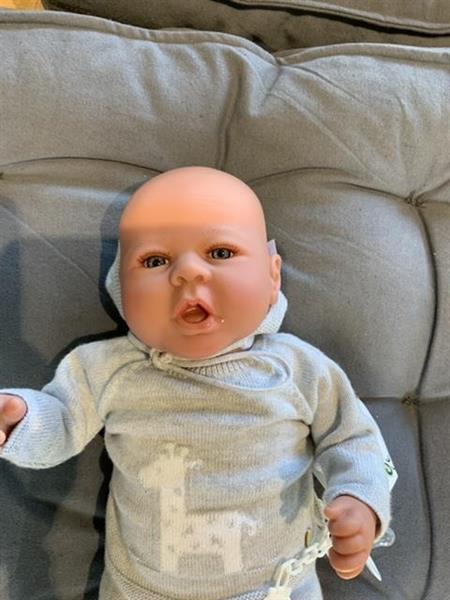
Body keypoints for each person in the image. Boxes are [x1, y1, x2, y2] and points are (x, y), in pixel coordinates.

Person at [0, 166, 396, 600]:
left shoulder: (299, 369)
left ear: (272, 276)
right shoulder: (106, 368)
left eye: (221, 252)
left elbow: (354, 439)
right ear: (120, 288)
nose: (188, 272)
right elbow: (62, 421)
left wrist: (361, 499)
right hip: (141, 592)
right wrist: (20, 420)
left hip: (279, 588)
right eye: (155, 261)